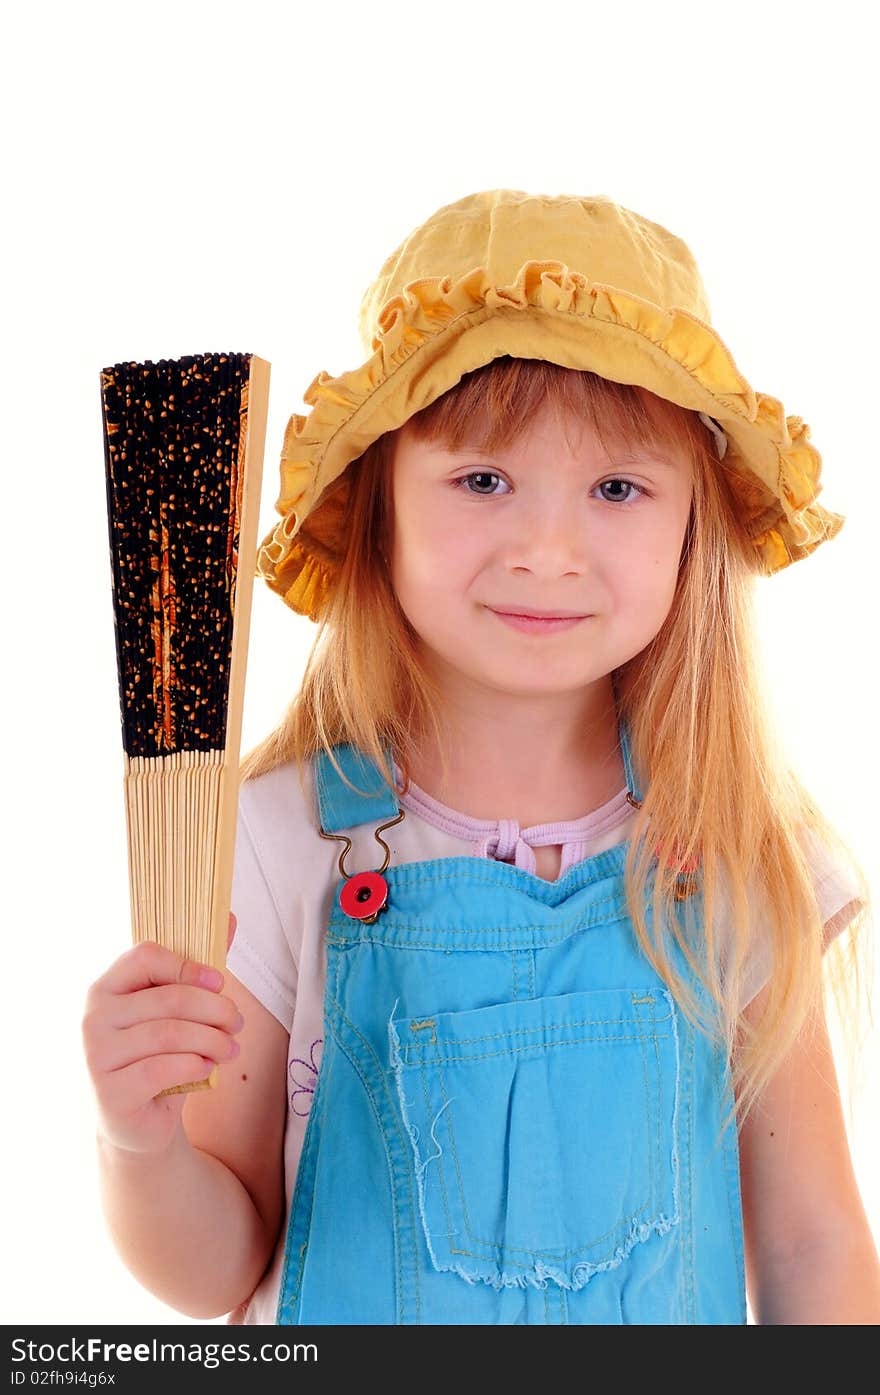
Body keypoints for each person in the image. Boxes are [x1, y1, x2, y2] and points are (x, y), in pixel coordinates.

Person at [83, 189, 879, 1325]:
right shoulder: (271, 841)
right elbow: (214, 1274)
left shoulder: (742, 856)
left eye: (616, 488)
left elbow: (812, 1249)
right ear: (377, 511)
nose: (546, 553)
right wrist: (137, 1141)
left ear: (691, 525)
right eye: (483, 480)